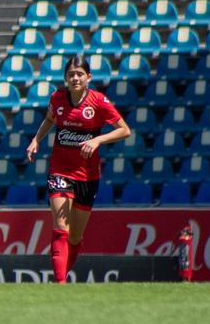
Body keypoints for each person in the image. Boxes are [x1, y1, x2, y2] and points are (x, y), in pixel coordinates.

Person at [25, 54, 131, 284]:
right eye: (70, 74)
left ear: (88, 77)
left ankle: (62, 277)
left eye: (79, 74)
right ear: (65, 77)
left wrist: (97, 140)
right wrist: (36, 139)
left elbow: (125, 130)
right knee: (60, 226)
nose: (75, 78)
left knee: (75, 236)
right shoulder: (58, 99)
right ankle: (60, 284)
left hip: (88, 175)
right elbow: (50, 120)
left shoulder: (98, 102)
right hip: (60, 170)